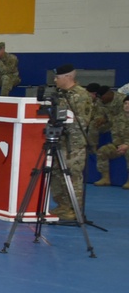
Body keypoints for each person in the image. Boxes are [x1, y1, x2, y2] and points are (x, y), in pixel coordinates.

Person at [50, 64, 92, 220]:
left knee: (72, 175)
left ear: (68, 77)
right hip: (59, 140)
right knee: (56, 173)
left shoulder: (81, 95)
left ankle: (74, 209)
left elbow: (82, 120)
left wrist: (63, 121)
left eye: (57, 77)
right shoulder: (59, 93)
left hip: (74, 143)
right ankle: (62, 205)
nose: (55, 80)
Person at [93, 96, 129, 188]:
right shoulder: (117, 118)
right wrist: (120, 145)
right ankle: (105, 178)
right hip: (119, 145)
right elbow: (115, 133)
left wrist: (127, 145)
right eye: (125, 103)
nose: (127, 106)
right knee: (103, 150)